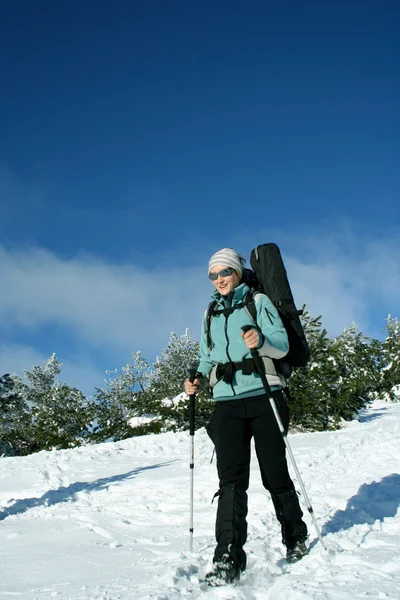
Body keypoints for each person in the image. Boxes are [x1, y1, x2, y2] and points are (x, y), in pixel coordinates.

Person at [184, 248, 308, 586]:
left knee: (274, 474)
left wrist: (261, 340)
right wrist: (197, 378)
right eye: (214, 274)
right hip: (226, 403)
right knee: (231, 482)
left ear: (238, 272)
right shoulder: (210, 311)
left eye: (225, 272)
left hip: (264, 395)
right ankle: (227, 556)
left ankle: (295, 536)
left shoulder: (259, 301)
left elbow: (281, 345)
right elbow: (206, 356)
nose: (220, 279)